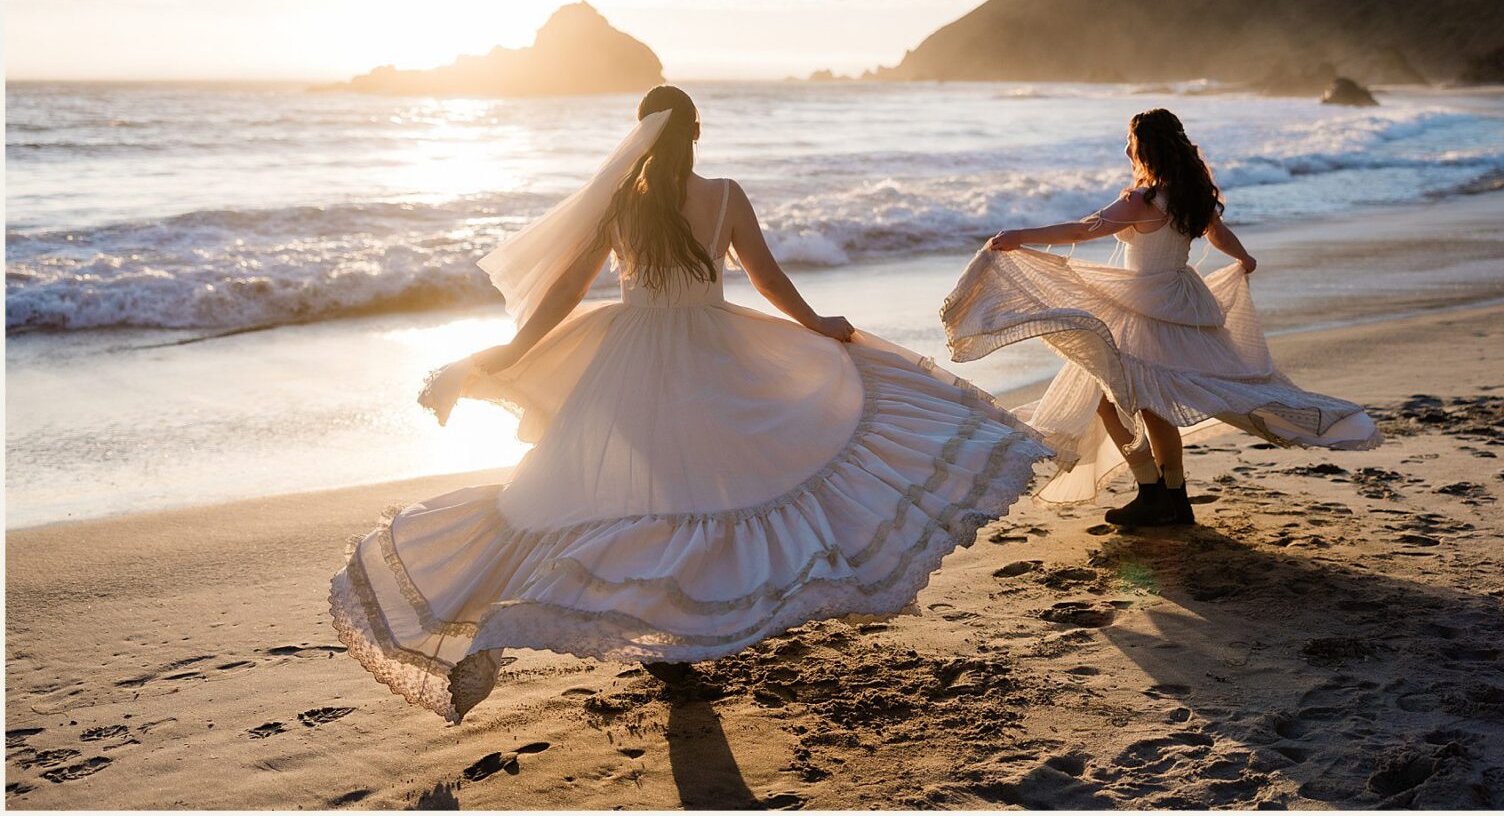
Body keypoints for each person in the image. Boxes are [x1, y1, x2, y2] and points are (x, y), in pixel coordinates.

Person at [329, 85, 1055, 722]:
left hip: (630, 354)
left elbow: (566, 292)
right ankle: (692, 625)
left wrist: (515, 351)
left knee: (627, 496)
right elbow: (767, 281)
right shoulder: (727, 196)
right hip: (711, 348)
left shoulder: (623, 203)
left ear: (636, 136)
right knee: (722, 482)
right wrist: (818, 327)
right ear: (697, 132)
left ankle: (666, 638)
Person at [941, 107, 1380, 528]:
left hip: (1145, 304)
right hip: (1181, 297)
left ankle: (1153, 491)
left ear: (1145, 149)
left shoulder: (1142, 200)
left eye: (1130, 143)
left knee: (1116, 398)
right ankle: (1173, 498)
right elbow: (1217, 231)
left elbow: (1082, 229)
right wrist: (1242, 256)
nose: (1127, 151)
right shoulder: (1191, 195)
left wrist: (1021, 236)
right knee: (1152, 401)